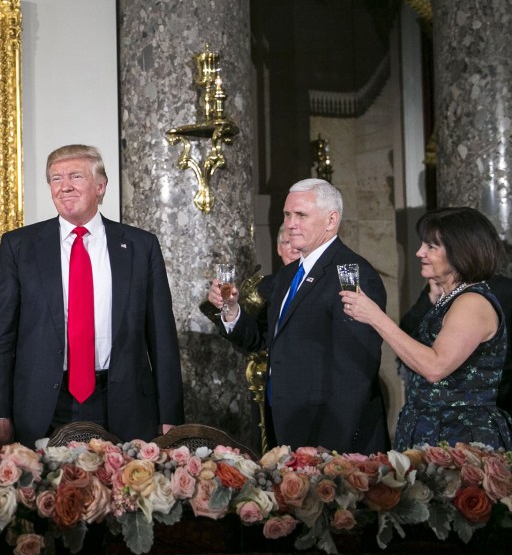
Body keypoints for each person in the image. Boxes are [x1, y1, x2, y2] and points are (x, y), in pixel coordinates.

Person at [0, 144, 184, 450]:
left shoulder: (141, 247)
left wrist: (170, 413)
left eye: (75, 176)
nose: (64, 187)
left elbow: (162, 336)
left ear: (100, 186)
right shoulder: (20, 247)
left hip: (122, 402)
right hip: (44, 404)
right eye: (56, 179)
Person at [209, 178, 388, 453]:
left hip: (327, 437)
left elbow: (355, 373)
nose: (291, 223)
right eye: (287, 214)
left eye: (301, 215)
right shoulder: (288, 275)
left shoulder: (351, 274)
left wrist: (329, 450)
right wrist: (231, 311)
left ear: (331, 220)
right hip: (285, 425)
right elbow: (265, 341)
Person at [342, 207, 512, 448]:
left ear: (461, 251)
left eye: (431, 247)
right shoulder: (451, 297)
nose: (419, 252)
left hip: (460, 439)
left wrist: (376, 317)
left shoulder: (472, 302)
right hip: (433, 430)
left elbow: (434, 367)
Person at [400, 274, 512, 414]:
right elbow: (407, 328)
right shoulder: (438, 288)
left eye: (433, 250)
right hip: (430, 404)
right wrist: (431, 298)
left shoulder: (503, 290)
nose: (422, 253)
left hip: (483, 404)